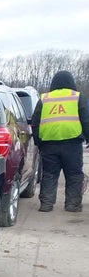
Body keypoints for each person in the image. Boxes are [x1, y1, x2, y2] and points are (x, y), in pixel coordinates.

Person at [31, 70, 89, 212]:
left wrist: (39, 142)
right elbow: (86, 120)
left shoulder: (44, 99)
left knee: (50, 174)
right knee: (74, 174)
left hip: (49, 144)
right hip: (72, 144)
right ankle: (72, 204)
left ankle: (46, 204)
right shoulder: (77, 97)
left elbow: (35, 122)